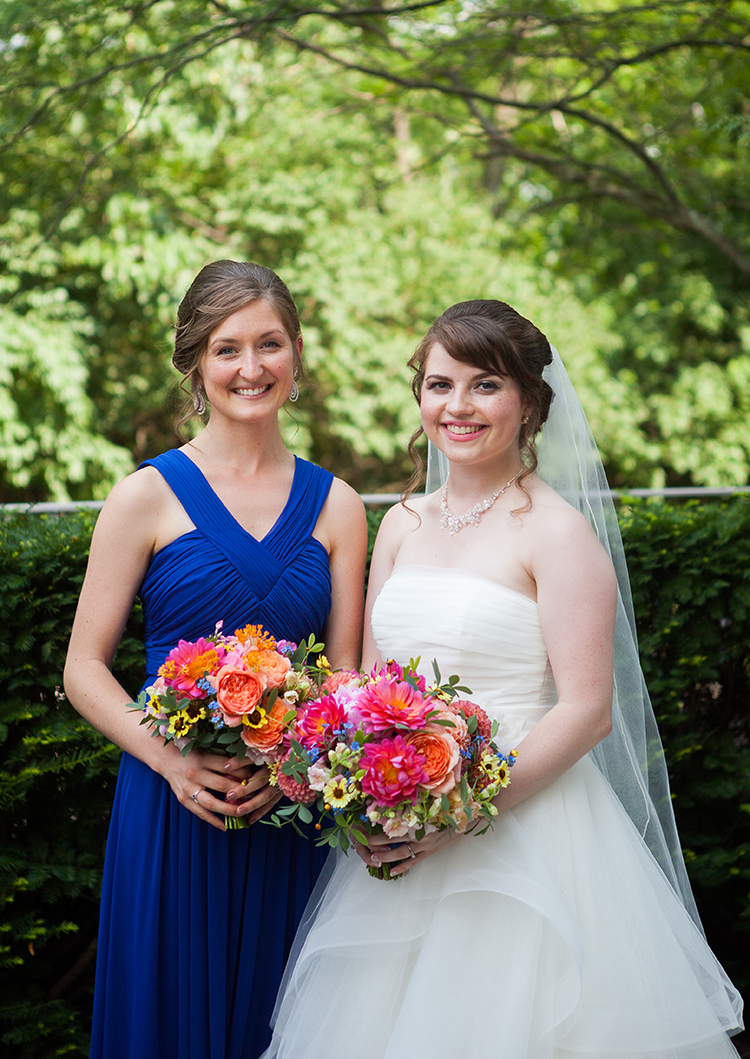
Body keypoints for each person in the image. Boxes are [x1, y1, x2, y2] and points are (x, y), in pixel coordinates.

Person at [261, 300, 743, 1059]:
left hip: (529, 830)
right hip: (403, 830)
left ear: (529, 401)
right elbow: (369, 690)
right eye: (438, 383)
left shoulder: (556, 530)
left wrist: (456, 813)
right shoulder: (402, 523)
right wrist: (367, 793)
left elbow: (587, 711)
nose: (457, 406)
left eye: (485, 385)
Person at [64, 260, 368, 1059]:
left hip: (289, 813)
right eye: (228, 348)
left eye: (270, 344)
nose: (251, 367)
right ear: (197, 362)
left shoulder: (338, 504)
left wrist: (299, 766)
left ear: (297, 354)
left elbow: (342, 676)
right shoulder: (145, 496)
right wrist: (170, 761)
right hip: (172, 804)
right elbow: (83, 669)